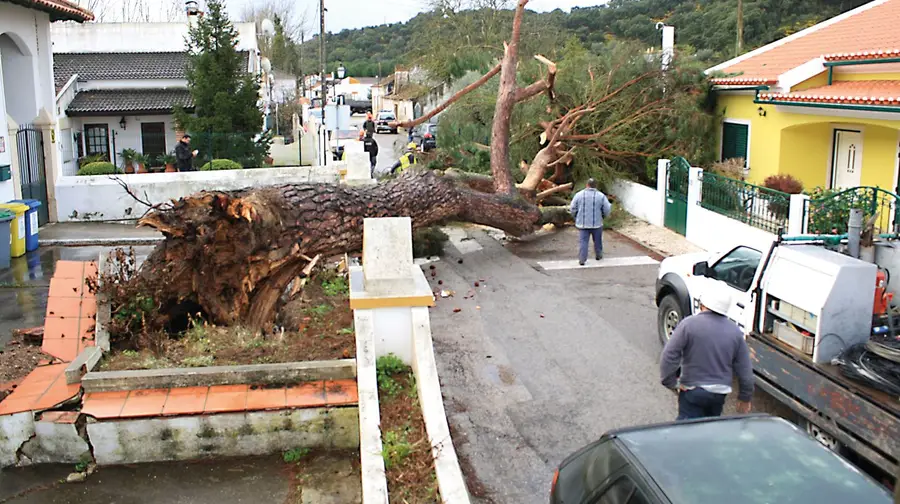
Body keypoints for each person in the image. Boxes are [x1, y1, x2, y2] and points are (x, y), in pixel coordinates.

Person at [660, 284, 754, 421]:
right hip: (719, 393)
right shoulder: (734, 332)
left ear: (703, 304)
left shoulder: (689, 325)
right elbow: (745, 370)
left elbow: (669, 355)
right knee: (709, 430)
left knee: (686, 432)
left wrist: (671, 382)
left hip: (692, 390)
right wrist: (745, 397)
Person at [569, 178, 611, 265]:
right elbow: (607, 209)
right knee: (597, 240)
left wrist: (575, 217)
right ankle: (598, 255)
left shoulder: (579, 195)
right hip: (597, 223)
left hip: (582, 223)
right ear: (596, 186)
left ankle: (582, 259)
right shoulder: (601, 196)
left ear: (587, 185)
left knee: (583, 241)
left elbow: (572, 208)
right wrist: (603, 216)